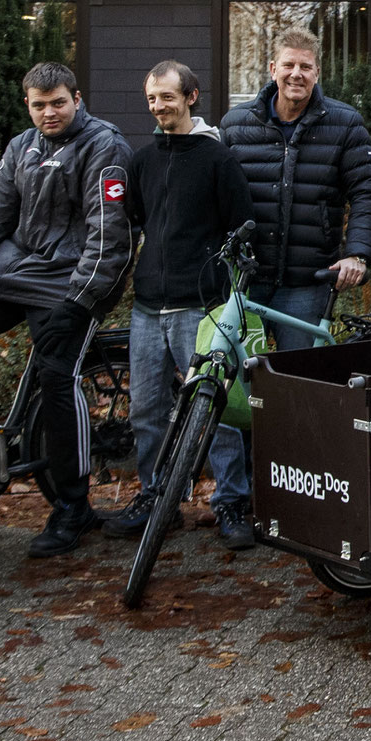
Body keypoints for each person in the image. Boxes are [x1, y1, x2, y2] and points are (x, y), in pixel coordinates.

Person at [0, 61, 134, 559]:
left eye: (58, 103)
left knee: (56, 375)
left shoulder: (104, 146)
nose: (48, 113)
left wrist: (81, 301)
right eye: (38, 105)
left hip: (69, 281)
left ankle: (73, 508)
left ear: (77, 97)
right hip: (16, 271)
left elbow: (108, 237)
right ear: (27, 103)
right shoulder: (20, 147)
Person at [104, 61, 257, 549]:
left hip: (203, 307)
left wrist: (232, 295)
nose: (158, 106)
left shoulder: (218, 160)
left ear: (191, 97)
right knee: (146, 411)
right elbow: (138, 221)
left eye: (167, 97)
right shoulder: (141, 161)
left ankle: (231, 502)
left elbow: (242, 227)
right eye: (151, 99)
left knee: (217, 412)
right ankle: (156, 500)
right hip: (149, 308)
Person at [218, 26, 371, 352]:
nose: (296, 74)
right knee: (233, 381)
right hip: (246, 278)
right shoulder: (235, 125)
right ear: (272, 69)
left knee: (299, 386)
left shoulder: (344, 122)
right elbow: (217, 198)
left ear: (317, 73)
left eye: (305, 67)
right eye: (288, 65)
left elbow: (367, 191)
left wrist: (357, 253)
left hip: (307, 283)